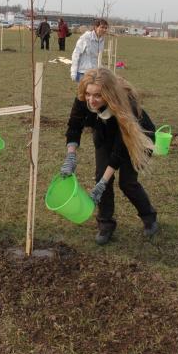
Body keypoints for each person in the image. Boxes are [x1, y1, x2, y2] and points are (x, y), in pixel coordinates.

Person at [60, 68, 157, 245]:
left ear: (109, 94)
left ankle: (149, 216)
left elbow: (119, 151)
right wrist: (70, 156)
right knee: (100, 177)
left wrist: (104, 182)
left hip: (135, 137)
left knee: (127, 182)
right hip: (105, 133)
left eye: (97, 95)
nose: (91, 100)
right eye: (88, 94)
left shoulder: (125, 105)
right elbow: (74, 124)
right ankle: (105, 224)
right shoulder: (83, 99)